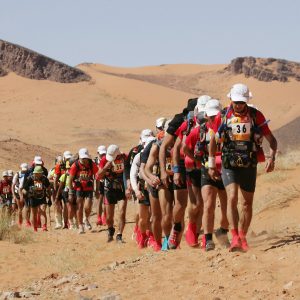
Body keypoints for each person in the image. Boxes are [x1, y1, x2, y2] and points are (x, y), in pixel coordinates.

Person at [208, 83, 277, 252]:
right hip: (228, 164)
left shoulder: (256, 115)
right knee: (232, 197)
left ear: (247, 101)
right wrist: (211, 164)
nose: (239, 105)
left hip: (249, 163)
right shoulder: (222, 116)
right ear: (230, 98)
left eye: (242, 102)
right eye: (236, 101)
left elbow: (272, 140)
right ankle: (235, 237)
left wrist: (272, 158)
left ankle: (243, 236)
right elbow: (213, 141)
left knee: (246, 204)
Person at [184, 99, 229, 251]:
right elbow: (185, 147)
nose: (213, 119)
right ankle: (208, 238)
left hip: (226, 170)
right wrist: (197, 160)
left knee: (226, 206)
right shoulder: (199, 130)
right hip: (206, 170)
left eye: (215, 116)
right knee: (208, 205)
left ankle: (223, 231)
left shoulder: (227, 128)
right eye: (210, 116)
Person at [97, 145, 129, 242]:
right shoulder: (104, 160)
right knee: (109, 217)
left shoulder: (125, 158)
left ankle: (119, 235)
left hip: (121, 189)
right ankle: (110, 230)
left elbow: (129, 171)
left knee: (122, 212)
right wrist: (105, 168)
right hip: (109, 189)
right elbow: (99, 176)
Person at [130, 136, 156, 248]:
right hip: (143, 189)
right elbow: (133, 174)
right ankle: (142, 236)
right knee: (143, 217)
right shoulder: (138, 157)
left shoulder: (158, 154)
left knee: (154, 215)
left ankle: (152, 237)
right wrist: (136, 190)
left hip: (155, 187)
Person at [68, 148, 98, 234]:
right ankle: (80, 225)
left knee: (88, 206)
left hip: (89, 187)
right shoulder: (75, 166)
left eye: (86, 158)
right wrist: (71, 192)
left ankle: (86, 219)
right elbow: (70, 180)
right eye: (83, 159)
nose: (85, 160)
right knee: (80, 206)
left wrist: (97, 190)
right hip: (78, 188)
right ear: (79, 158)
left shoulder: (92, 165)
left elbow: (97, 177)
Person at [22, 166, 51, 232]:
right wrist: (27, 193)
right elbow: (24, 189)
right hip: (33, 198)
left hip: (42, 197)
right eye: (36, 173)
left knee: (42, 211)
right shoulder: (30, 179)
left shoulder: (44, 179)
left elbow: (48, 188)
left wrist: (49, 198)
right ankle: (35, 228)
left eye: (38, 173)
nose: (37, 174)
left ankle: (44, 227)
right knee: (34, 213)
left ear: (41, 173)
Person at [95, 145, 107, 226]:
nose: (103, 155)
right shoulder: (94, 161)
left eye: (104, 154)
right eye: (101, 154)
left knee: (106, 200)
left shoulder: (107, 160)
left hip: (106, 182)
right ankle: (98, 217)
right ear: (97, 153)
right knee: (99, 200)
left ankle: (104, 217)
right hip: (98, 182)